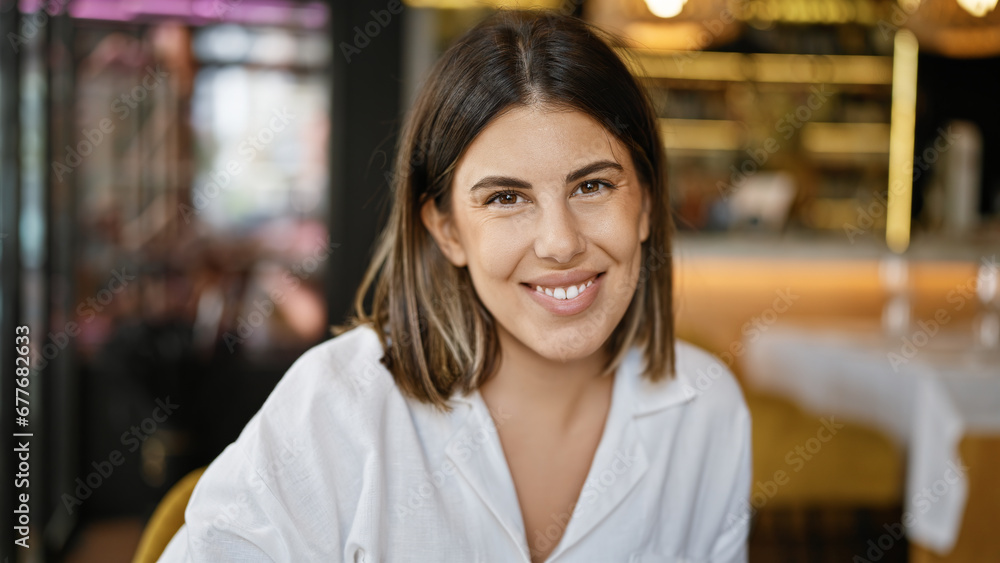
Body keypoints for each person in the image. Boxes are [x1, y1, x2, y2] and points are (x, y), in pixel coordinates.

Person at [159, 8, 751, 563]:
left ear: (646, 204)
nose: (560, 242)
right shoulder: (339, 405)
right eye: (506, 198)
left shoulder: (706, 410)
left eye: (592, 186)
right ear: (447, 230)